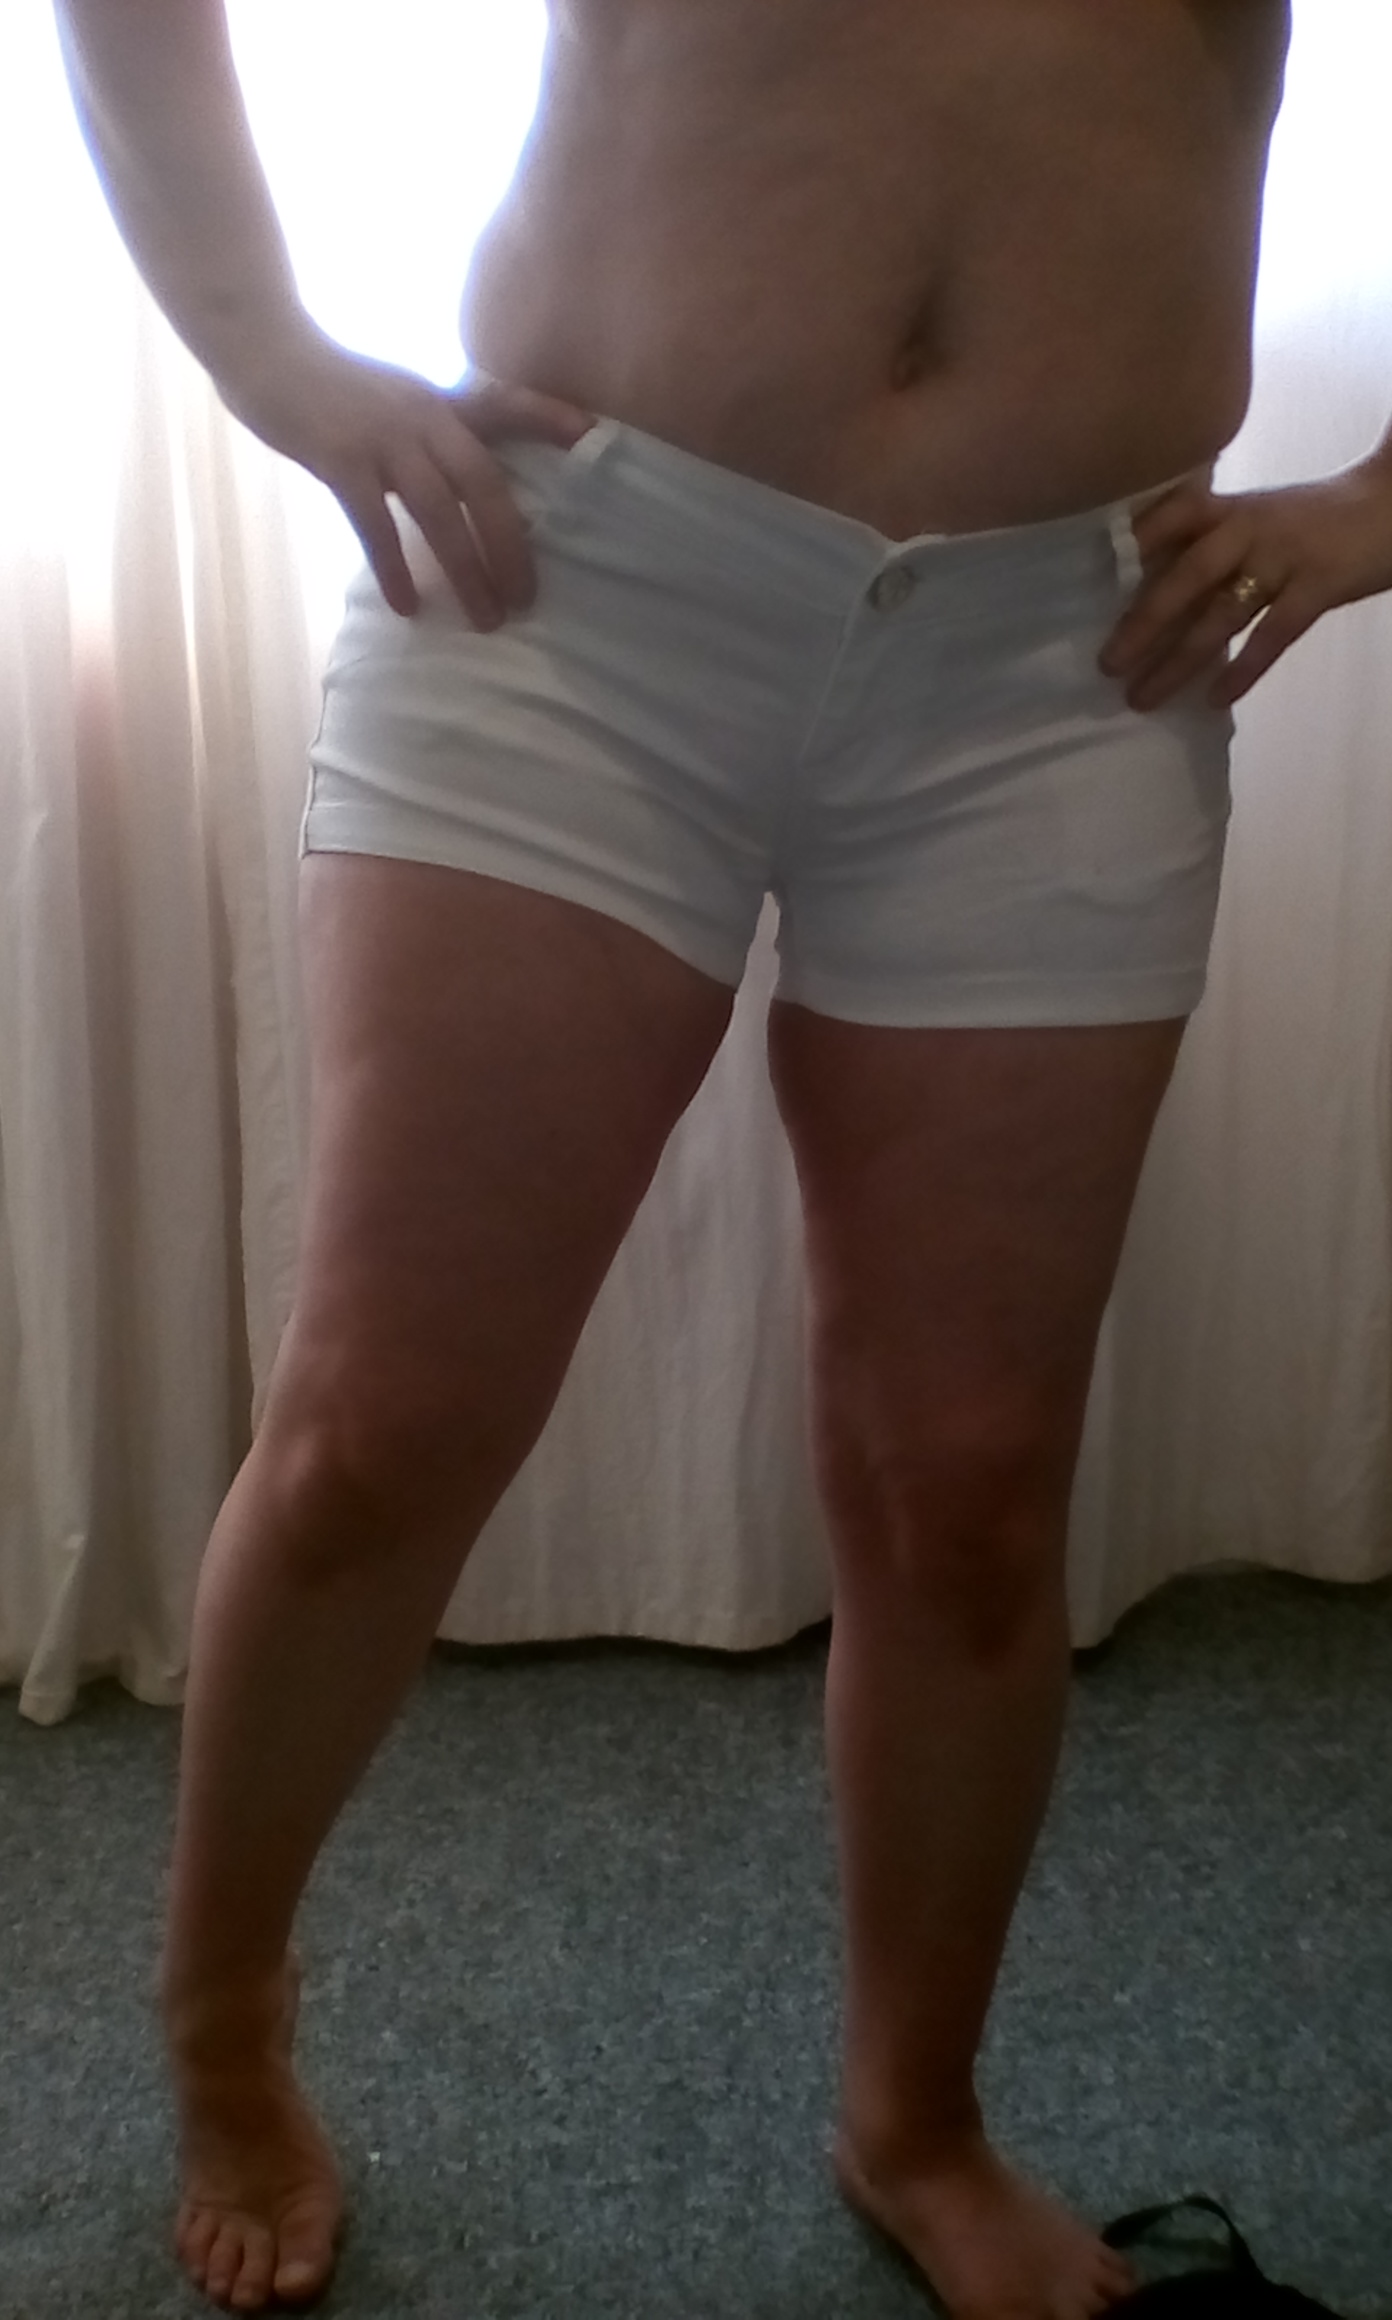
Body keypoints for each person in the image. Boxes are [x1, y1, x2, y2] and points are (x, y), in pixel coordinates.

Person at [52, 3, 1392, 2315]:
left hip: (1071, 664)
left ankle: (916, 2116)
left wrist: (1376, 500)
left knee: (970, 1484)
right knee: (382, 1424)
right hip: (575, 596)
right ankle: (225, 2025)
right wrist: (268, 348)